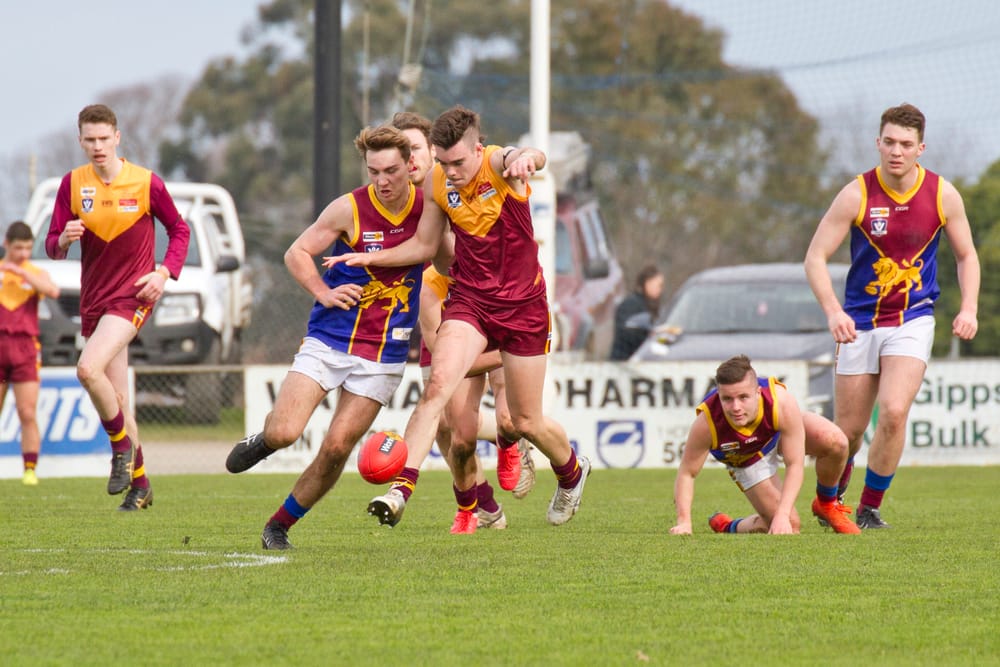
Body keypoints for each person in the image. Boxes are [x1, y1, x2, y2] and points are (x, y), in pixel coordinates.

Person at [327, 105, 590, 528]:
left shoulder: (498, 162)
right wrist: (372, 257)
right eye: (442, 161)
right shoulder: (435, 181)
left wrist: (529, 158)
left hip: (523, 308)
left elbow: (529, 155)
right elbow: (425, 246)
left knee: (525, 420)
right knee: (437, 389)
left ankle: (572, 473)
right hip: (470, 301)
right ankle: (400, 492)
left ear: (477, 149)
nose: (449, 171)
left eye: (457, 162)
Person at [224, 125, 424, 550]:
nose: (383, 181)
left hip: (384, 349)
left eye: (391, 170)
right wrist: (323, 291)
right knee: (284, 433)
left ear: (411, 165)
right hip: (330, 338)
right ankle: (263, 440)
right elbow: (296, 252)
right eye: (374, 172)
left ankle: (278, 526)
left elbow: (441, 253)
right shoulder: (349, 208)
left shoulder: (429, 209)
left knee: (336, 447)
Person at [804, 103, 980, 529]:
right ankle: (828, 501)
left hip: (912, 318)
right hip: (859, 322)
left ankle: (869, 508)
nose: (896, 151)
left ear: (921, 148)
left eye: (905, 144)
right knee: (845, 434)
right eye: (889, 142)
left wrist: (969, 307)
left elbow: (966, 255)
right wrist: (833, 313)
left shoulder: (942, 194)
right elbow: (814, 257)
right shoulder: (856, 194)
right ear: (877, 144)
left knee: (895, 411)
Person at [393, 111, 535, 533]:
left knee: (509, 419)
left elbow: (504, 163)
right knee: (447, 429)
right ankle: (477, 506)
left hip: (498, 300)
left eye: (414, 149)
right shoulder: (402, 194)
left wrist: (523, 157)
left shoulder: (458, 178)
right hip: (444, 304)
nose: (409, 159)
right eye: (402, 152)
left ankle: (511, 441)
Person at [45, 104, 190, 510]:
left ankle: (120, 449)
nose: (97, 146)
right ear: (80, 141)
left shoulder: (145, 183)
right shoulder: (72, 185)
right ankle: (141, 485)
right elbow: (52, 246)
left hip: (131, 298)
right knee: (120, 401)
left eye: (103, 138)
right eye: (89, 140)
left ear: (117, 137)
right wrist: (64, 239)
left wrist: (163, 273)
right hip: (94, 300)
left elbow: (179, 229)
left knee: (87, 369)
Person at [669, 355, 861, 535]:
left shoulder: (780, 401)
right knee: (791, 526)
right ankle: (729, 526)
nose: (736, 407)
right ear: (719, 395)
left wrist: (782, 514)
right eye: (727, 399)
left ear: (758, 393)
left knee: (836, 441)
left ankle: (826, 503)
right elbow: (687, 473)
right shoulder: (708, 421)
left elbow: (794, 464)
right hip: (748, 457)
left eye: (743, 397)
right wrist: (684, 522)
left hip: (775, 434)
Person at [1, 221, 60, 485]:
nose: (23, 254)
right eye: (18, 248)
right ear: (6, 244)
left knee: (27, 411)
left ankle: (29, 469)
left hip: (25, 348)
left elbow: (52, 291)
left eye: (27, 248)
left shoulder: (34, 273)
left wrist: (20, 271)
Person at [610, 263, 664, 360]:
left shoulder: (652, 305)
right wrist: (648, 334)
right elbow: (628, 333)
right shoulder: (631, 305)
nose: (660, 290)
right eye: (658, 285)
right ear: (648, 283)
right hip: (624, 361)